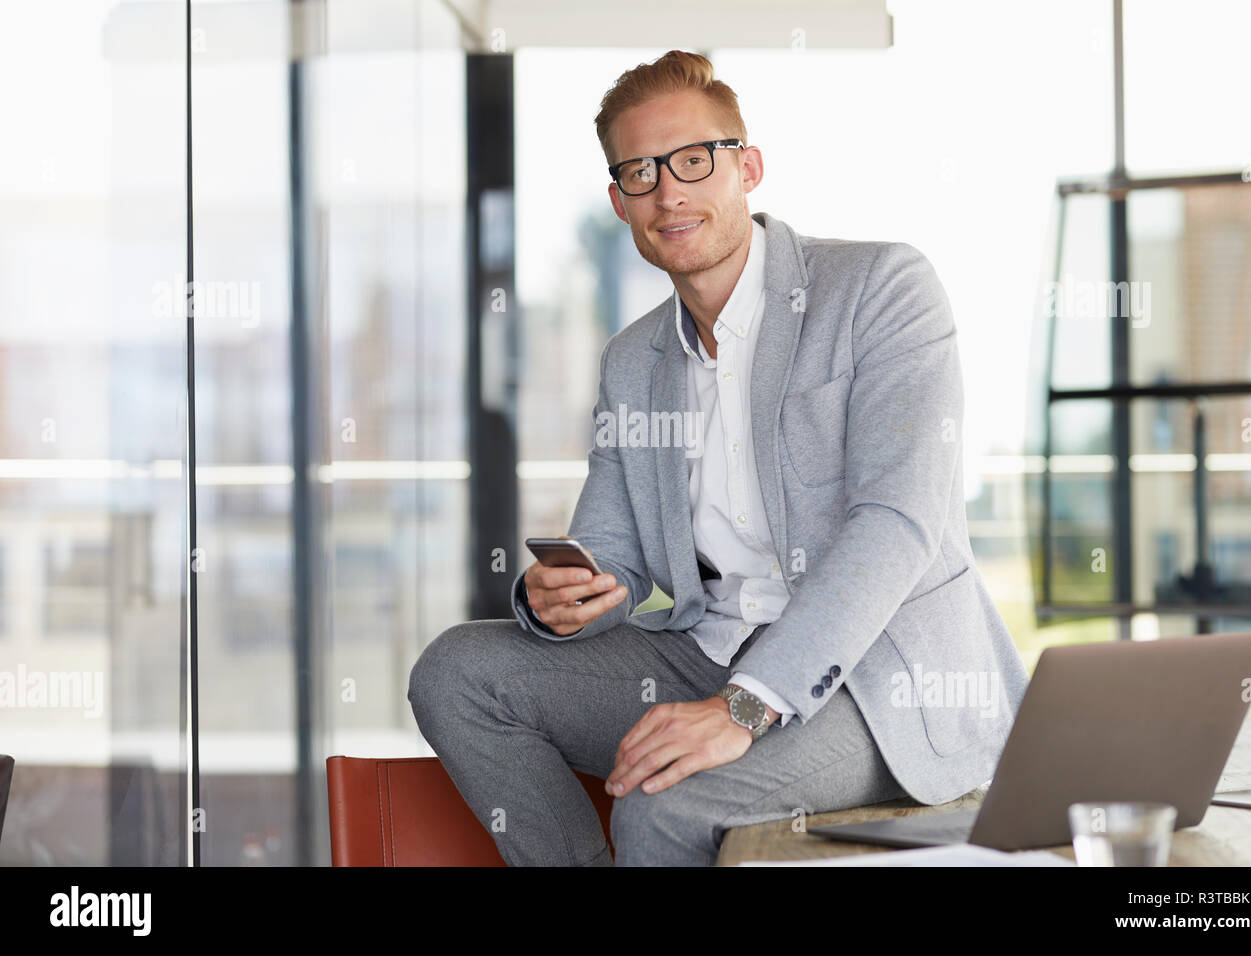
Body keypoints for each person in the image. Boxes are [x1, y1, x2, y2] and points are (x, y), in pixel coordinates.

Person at [408, 49, 1029, 866]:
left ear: (749, 168)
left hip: (881, 680)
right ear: (619, 203)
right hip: (706, 650)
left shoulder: (881, 288)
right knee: (456, 671)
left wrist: (744, 707)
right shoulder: (633, 361)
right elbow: (618, 556)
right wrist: (572, 591)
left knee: (663, 811)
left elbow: (895, 528)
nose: (669, 191)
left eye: (694, 160)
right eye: (640, 172)